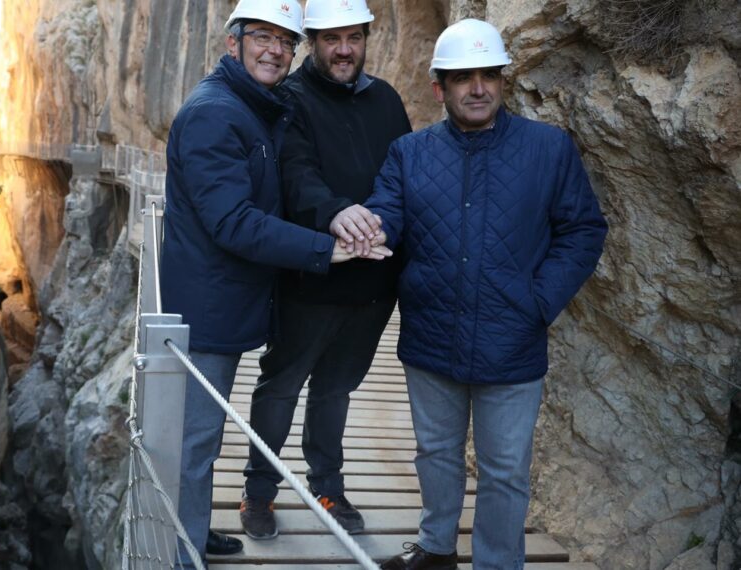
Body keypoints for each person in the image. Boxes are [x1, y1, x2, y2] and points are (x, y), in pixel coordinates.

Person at [352, 19, 608, 570]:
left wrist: (538, 302)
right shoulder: (408, 153)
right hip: (431, 336)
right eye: (462, 76)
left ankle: (497, 564)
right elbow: (387, 212)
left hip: (512, 341)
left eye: (488, 74)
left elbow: (584, 230)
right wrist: (369, 228)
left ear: (501, 81)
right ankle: (437, 548)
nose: (477, 87)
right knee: (436, 455)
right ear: (438, 86)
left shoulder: (548, 149)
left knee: (505, 470)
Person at [159, 0, 391, 566]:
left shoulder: (249, 106)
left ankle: (192, 530)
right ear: (231, 41)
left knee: (204, 436)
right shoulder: (219, 113)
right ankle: (183, 552)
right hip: (208, 306)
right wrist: (327, 247)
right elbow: (233, 219)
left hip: (227, 298)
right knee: (196, 440)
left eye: (284, 42)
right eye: (262, 36)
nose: (274, 50)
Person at [238, 0, 412, 540]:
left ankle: (328, 486)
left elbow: (403, 172)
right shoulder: (288, 99)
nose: (343, 49)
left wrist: (388, 224)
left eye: (353, 38)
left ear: (365, 39)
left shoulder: (385, 99)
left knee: (337, 388)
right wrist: (337, 210)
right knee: (281, 385)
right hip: (312, 275)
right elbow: (295, 174)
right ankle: (258, 492)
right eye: (331, 38)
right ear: (312, 41)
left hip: (374, 279)